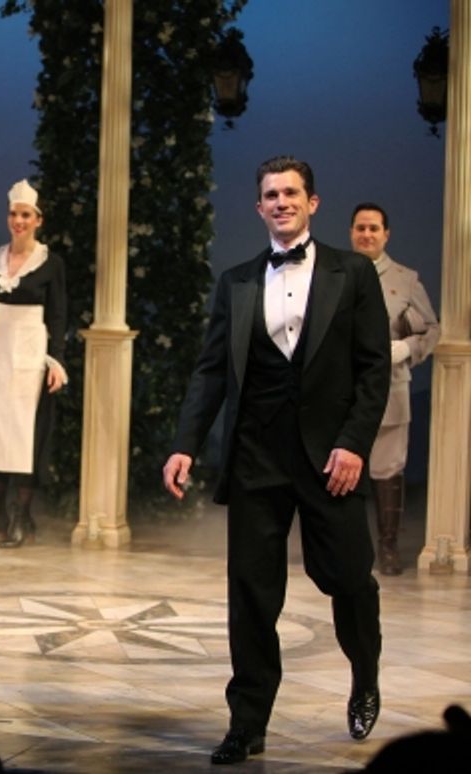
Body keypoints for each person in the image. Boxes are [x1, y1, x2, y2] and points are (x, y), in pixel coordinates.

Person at [162, 156, 390, 765]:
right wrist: (185, 443)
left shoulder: (354, 273)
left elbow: (374, 370)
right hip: (257, 456)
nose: (281, 201)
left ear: (313, 203)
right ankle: (248, 722)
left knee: (347, 578)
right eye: (271, 194)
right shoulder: (236, 281)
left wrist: (353, 444)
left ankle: (365, 672)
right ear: (258, 207)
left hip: (329, 459)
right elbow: (211, 370)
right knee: (253, 594)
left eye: (292, 192)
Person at [0, 179, 67, 548]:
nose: (17, 221)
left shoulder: (50, 263)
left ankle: (22, 516)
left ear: (38, 219)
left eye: (25, 215)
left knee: (25, 435)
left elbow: (58, 315)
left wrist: (56, 361)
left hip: (31, 353)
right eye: (13, 214)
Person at [349, 203, 440, 576]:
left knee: (387, 470)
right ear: (351, 232)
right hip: (342, 390)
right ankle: (349, 549)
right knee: (341, 471)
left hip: (389, 387)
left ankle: (387, 549)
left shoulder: (405, 279)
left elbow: (431, 329)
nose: (366, 234)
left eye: (374, 228)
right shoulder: (334, 273)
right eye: (360, 228)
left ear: (386, 234)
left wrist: (407, 349)